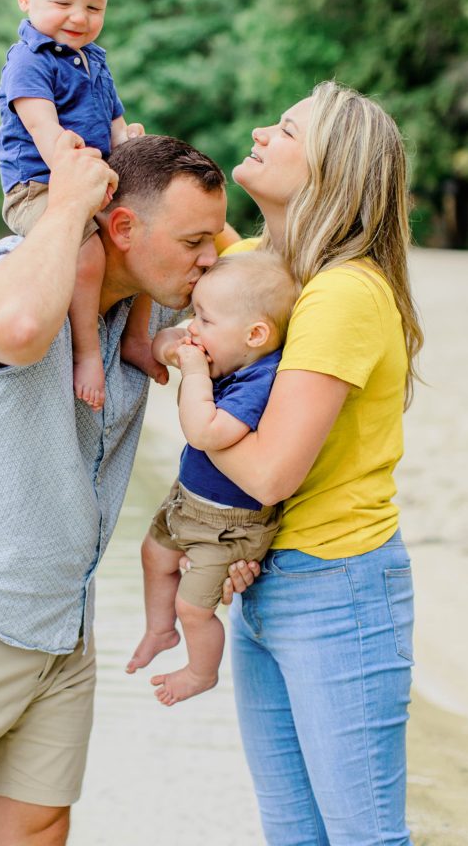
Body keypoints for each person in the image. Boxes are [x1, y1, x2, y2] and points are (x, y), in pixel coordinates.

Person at [0, 132, 227, 846]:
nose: (209, 257)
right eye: (193, 241)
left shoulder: (141, 311)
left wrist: (153, 164)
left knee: (39, 831)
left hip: (60, 621)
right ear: (120, 227)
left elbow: (261, 283)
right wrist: (66, 204)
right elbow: (22, 328)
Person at [212, 80, 423, 845]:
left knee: (363, 837)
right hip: (266, 585)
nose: (263, 129)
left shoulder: (342, 293)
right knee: (293, 836)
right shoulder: (267, 274)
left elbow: (270, 473)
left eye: (289, 130)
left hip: (337, 589)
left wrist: (195, 409)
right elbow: (183, 239)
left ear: (331, 170)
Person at [0, 0, 164, 412]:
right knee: (88, 255)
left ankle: (135, 336)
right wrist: (66, 155)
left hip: (94, 181)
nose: (79, 17)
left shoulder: (95, 61)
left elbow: (115, 124)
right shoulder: (28, 61)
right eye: (63, 3)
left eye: (94, 7)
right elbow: (44, 132)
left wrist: (128, 144)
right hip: (41, 185)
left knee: (149, 233)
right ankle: (87, 352)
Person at [126, 251, 299, 706]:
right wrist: (175, 346)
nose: (193, 328)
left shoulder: (259, 381)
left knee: (194, 607)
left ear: (255, 334)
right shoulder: (229, 351)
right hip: (186, 501)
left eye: (204, 319)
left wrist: (195, 371)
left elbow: (204, 432)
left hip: (227, 526)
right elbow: (165, 337)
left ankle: (202, 672)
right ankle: (160, 631)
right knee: (153, 555)